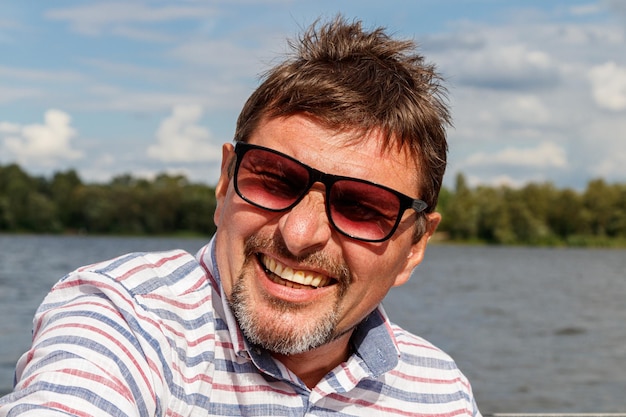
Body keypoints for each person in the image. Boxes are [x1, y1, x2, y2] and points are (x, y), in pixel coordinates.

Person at [0, 16, 481, 417]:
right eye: (274, 178)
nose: (299, 235)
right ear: (226, 179)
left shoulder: (440, 390)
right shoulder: (123, 318)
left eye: (360, 208)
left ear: (414, 247)